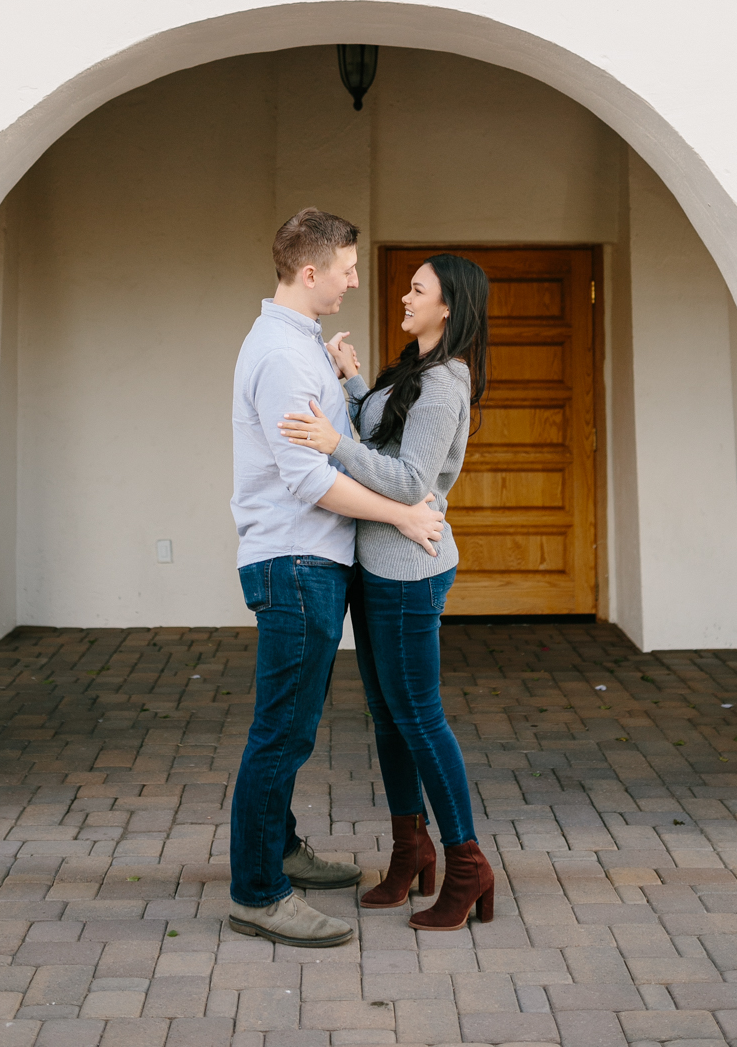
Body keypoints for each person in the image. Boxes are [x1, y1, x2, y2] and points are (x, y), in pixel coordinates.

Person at [229, 208, 446, 948]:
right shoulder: (286, 357)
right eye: (348, 269)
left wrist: (348, 382)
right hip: (295, 562)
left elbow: (342, 442)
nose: (357, 279)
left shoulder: (305, 348)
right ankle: (259, 893)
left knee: (291, 727)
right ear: (311, 271)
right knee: (280, 734)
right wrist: (406, 514)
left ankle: (281, 850)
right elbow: (308, 479)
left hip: (312, 562)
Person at [279, 252, 495, 931]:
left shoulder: (445, 383)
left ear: (450, 306)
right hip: (379, 565)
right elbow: (386, 438)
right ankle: (411, 850)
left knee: (420, 718)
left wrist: (331, 441)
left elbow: (407, 482)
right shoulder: (416, 370)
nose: (403, 295)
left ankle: (466, 866)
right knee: (390, 716)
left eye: (418, 289)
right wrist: (352, 386)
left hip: (408, 570)